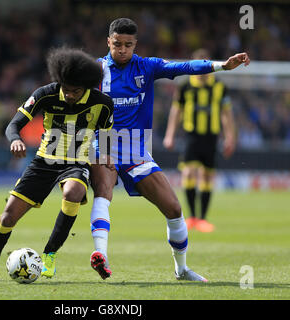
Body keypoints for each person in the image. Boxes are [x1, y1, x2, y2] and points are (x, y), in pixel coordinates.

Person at [89, 18, 249, 281]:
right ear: (108, 42)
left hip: (136, 149)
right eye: (117, 44)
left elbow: (185, 66)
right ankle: (101, 256)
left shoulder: (147, 66)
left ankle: (182, 269)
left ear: (135, 44)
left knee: (174, 209)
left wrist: (222, 66)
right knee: (103, 193)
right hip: (104, 143)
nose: (122, 50)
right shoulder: (95, 70)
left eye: (128, 45)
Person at [0, 47, 114, 282]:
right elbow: (13, 125)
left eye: (75, 91)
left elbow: (107, 133)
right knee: (8, 217)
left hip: (76, 162)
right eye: (66, 89)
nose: (70, 95)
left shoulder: (103, 104)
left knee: (74, 191)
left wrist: (107, 154)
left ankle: (49, 255)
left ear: (88, 87)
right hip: (44, 162)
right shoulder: (44, 94)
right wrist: (15, 140)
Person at [163, 48, 236, 233]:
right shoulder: (185, 85)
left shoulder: (219, 86)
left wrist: (230, 137)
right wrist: (170, 134)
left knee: (207, 175)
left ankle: (202, 219)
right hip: (191, 136)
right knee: (188, 172)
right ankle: (192, 217)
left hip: (211, 136)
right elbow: (176, 111)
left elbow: (226, 114)